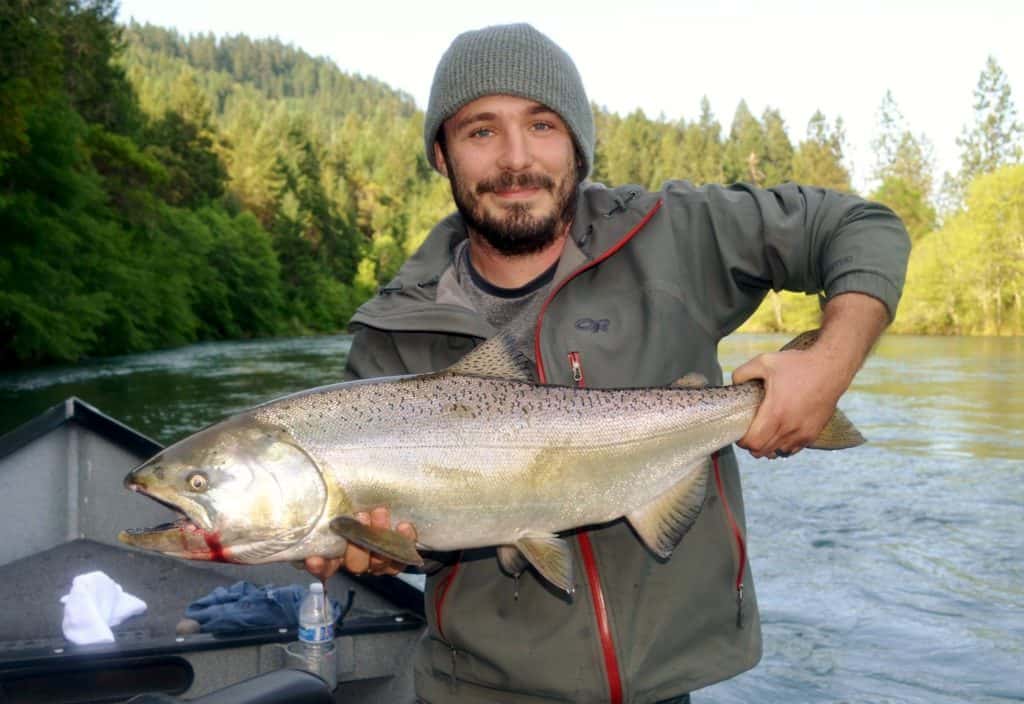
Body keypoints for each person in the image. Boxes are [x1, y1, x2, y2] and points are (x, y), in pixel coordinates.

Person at [305, 22, 910, 704]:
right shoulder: (390, 333)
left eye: (541, 126)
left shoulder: (674, 235)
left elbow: (860, 227)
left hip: (664, 686)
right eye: (479, 131)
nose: (514, 159)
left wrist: (828, 364)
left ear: (579, 147)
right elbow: (412, 547)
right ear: (442, 156)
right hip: (474, 688)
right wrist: (379, 545)